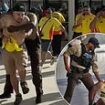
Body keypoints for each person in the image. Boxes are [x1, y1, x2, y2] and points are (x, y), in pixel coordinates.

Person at [0, 6, 43, 104]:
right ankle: (8, 91)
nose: (18, 17)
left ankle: (39, 91)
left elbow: (32, 25)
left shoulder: (30, 16)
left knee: (35, 69)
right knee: (10, 70)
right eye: (15, 14)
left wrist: (14, 29)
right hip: (19, 42)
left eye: (21, 14)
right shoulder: (8, 19)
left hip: (32, 42)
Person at [63, 36, 101, 105]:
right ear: (90, 43)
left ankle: (91, 103)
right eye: (94, 46)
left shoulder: (93, 54)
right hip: (74, 73)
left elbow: (95, 68)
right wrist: (67, 66)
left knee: (93, 89)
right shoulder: (78, 47)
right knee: (69, 94)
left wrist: (99, 80)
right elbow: (66, 54)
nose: (95, 48)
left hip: (85, 74)